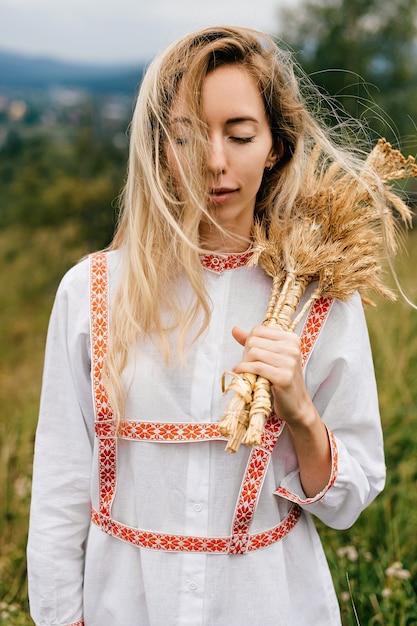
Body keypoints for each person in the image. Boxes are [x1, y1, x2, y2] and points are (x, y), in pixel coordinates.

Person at [27, 26, 386, 625]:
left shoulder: (319, 298)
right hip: (128, 607)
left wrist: (298, 410)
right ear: (161, 148)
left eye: (240, 135)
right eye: (188, 137)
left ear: (274, 145)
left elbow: (350, 499)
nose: (215, 162)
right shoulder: (92, 293)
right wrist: (61, 616)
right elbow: (61, 485)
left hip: (268, 605)